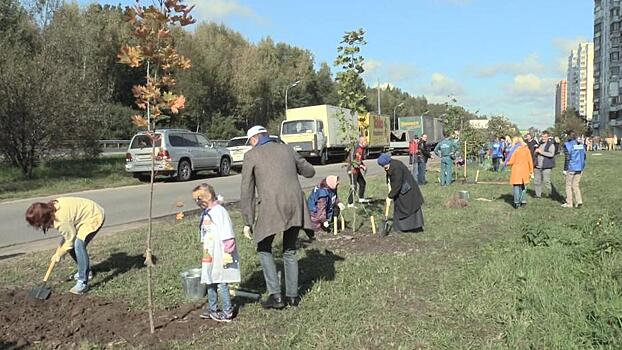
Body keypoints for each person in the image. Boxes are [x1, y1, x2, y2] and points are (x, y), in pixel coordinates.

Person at [240, 125, 315, 309]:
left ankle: (276, 296)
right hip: (295, 205)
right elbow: (309, 172)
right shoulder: (287, 149)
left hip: (271, 207)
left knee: (263, 247)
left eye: (250, 141)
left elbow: (246, 191)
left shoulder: (251, 155)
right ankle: (292, 297)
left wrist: (248, 221)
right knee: (289, 250)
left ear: (255, 138)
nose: (250, 144)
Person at [25, 197, 105, 295]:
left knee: (78, 245)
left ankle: (82, 282)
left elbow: (70, 240)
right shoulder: (52, 208)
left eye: (38, 223)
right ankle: (86, 272)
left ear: (43, 218)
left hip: (93, 216)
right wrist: (58, 252)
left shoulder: (60, 220)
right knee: (71, 247)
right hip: (84, 215)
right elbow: (67, 236)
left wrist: (59, 254)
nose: (39, 226)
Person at [193, 183, 240, 322]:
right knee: (209, 279)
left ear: (208, 197)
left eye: (198, 198)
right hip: (209, 252)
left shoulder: (219, 211)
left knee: (221, 281)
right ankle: (213, 308)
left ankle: (227, 311)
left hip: (220, 253)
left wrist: (228, 248)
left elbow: (227, 229)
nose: (197, 202)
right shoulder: (208, 212)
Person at [377, 154, 424, 233]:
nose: (385, 169)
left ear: (389, 162)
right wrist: (389, 185)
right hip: (402, 191)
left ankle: (411, 227)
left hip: (408, 191)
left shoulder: (397, 167)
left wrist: (390, 197)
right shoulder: (391, 166)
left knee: (408, 207)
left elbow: (397, 184)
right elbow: (390, 178)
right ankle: (400, 227)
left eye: (385, 167)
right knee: (399, 207)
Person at [506, 137, 534, 209]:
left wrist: (505, 163)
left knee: (516, 187)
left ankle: (516, 202)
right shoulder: (526, 149)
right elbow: (530, 161)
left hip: (516, 171)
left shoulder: (515, 150)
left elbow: (511, 161)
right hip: (525, 171)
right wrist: (531, 171)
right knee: (523, 187)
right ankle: (523, 201)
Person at [562, 130, 587, 208]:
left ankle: (569, 202)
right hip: (580, 167)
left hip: (572, 167)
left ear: (569, 136)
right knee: (576, 185)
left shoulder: (567, 145)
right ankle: (579, 201)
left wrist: (565, 169)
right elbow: (585, 156)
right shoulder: (581, 145)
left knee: (568, 185)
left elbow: (567, 158)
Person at [347, 136, 370, 205]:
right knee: (353, 186)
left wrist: (363, 165)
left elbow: (359, 160)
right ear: (362, 142)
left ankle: (361, 198)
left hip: (357, 170)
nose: (367, 142)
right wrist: (361, 166)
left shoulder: (362, 149)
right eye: (366, 141)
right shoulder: (357, 149)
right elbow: (353, 161)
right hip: (352, 170)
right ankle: (350, 203)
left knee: (362, 183)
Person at [533, 130, 557, 198]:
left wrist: (541, 152)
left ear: (548, 137)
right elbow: (536, 153)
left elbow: (551, 154)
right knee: (537, 181)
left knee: (546, 181)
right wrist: (536, 151)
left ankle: (551, 194)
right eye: (542, 137)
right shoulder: (539, 144)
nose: (543, 138)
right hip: (537, 165)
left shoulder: (551, 145)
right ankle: (538, 195)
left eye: (545, 137)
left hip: (546, 166)